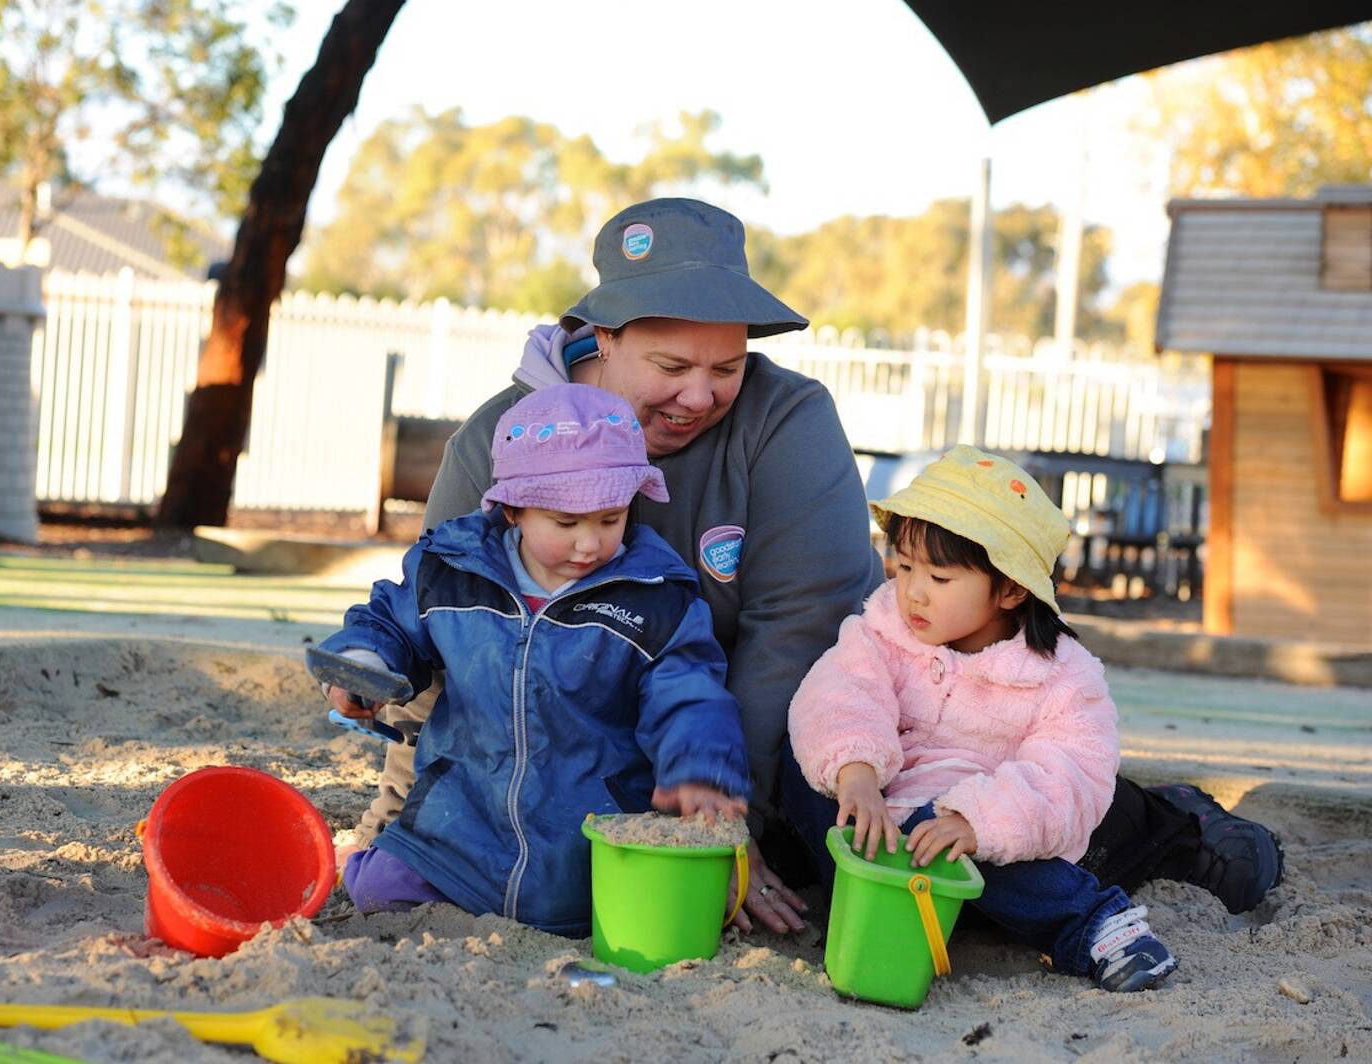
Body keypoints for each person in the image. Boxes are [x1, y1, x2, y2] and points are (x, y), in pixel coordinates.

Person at [352, 196, 1283, 933]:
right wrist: (400, 813)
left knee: (870, 849)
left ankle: (1162, 828)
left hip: (756, 734)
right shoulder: (499, 440)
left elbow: (801, 634)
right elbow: (450, 624)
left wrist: (734, 825)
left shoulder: (784, 420)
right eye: (672, 365)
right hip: (578, 746)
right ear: (601, 337)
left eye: (725, 366)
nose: (702, 394)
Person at [317, 383, 750, 935]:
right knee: (377, 887)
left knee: (639, 917)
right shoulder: (453, 570)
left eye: (610, 518)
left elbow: (691, 690)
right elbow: (388, 622)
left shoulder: (653, 597)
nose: (589, 544)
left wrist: (700, 768)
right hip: (462, 823)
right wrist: (361, 665)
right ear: (514, 510)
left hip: (587, 835)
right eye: (566, 524)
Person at [788, 447, 1177, 992]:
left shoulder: (1061, 678)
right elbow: (842, 693)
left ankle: (1092, 924)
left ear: (1012, 588)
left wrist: (975, 823)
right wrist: (855, 772)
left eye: (940, 579)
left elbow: (1071, 774)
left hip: (966, 853)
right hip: (876, 821)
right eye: (903, 567)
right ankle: (860, 899)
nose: (912, 592)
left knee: (999, 845)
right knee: (807, 754)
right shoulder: (882, 629)